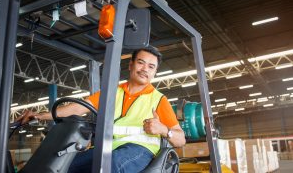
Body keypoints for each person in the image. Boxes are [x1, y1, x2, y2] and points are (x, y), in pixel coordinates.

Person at [17, 46, 186, 173]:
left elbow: (180, 140)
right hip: (107, 148)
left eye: (151, 66)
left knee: (111, 165)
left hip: (139, 151)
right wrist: (39, 116)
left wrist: (164, 130)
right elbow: (76, 107)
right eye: (141, 63)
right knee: (64, 165)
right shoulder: (112, 93)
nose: (145, 69)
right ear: (131, 65)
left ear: (155, 72)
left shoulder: (158, 100)